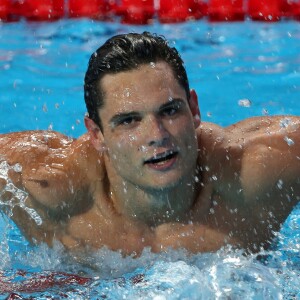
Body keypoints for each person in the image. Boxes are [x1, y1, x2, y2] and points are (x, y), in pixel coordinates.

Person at [0, 32, 299, 257]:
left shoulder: (256, 173)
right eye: (128, 120)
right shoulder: (48, 187)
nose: (156, 134)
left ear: (194, 109)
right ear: (96, 134)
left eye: (169, 111)